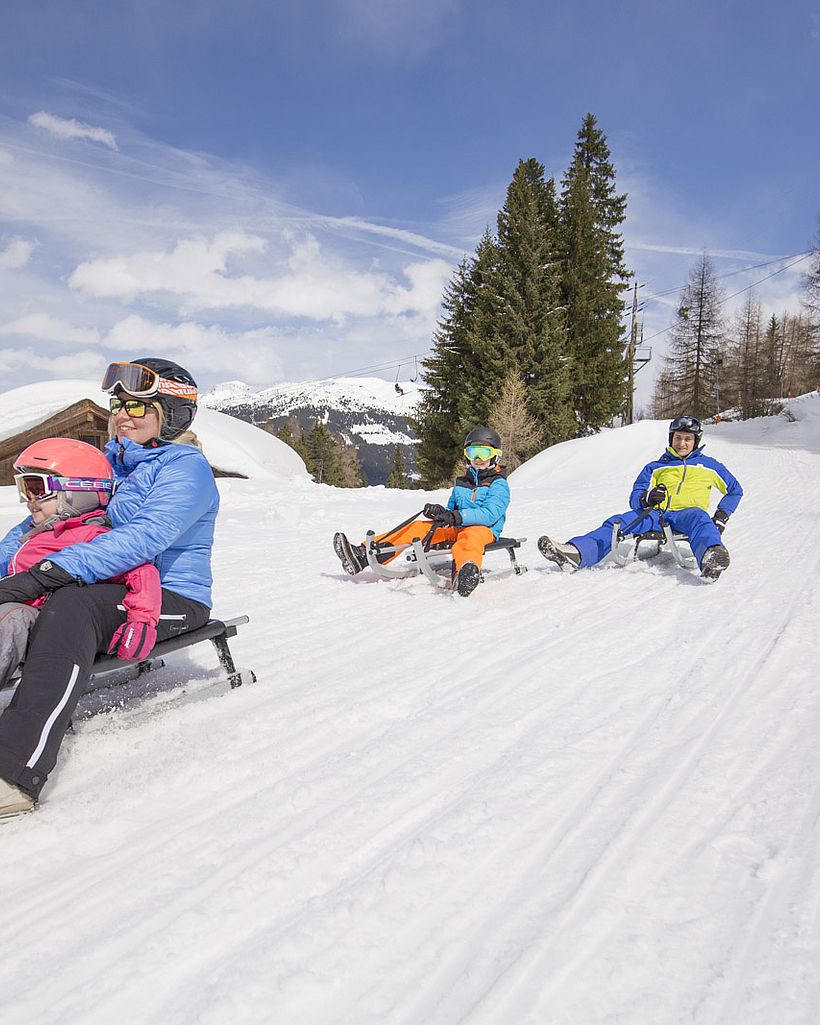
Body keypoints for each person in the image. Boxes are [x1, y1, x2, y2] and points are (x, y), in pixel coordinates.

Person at [0, 358, 219, 820]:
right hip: (95, 587)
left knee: (71, 605)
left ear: (172, 412)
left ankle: (15, 772)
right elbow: (36, 531)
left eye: (139, 407)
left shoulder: (185, 469)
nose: (122, 414)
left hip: (167, 598)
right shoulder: (105, 465)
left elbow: (144, 537)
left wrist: (46, 574)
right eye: (119, 405)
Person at [0, 439, 161, 695]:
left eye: (37, 488)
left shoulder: (92, 538)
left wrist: (140, 623)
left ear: (80, 490)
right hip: (15, 608)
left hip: (47, 623)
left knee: (10, 618)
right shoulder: (33, 533)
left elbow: (142, 574)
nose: (29, 500)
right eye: (25, 489)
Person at [537, 415, 743, 581]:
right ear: (671, 439)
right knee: (618, 522)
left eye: (687, 439)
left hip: (689, 515)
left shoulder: (710, 466)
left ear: (695, 441)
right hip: (656, 514)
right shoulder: (656, 467)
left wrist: (721, 517)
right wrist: (647, 498)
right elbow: (635, 496)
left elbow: (735, 490)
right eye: (678, 438)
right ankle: (576, 553)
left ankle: (711, 557)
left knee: (702, 521)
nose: (682, 443)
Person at [333, 426, 511, 597]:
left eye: (484, 453)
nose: (478, 458)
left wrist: (457, 516)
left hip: (483, 529)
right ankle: (363, 555)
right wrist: (441, 512)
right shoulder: (462, 482)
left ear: (495, 456)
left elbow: (490, 514)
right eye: (473, 453)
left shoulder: (498, 484)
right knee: (417, 527)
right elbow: (452, 509)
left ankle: (465, 575)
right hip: (457, 525)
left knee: (469, 538)